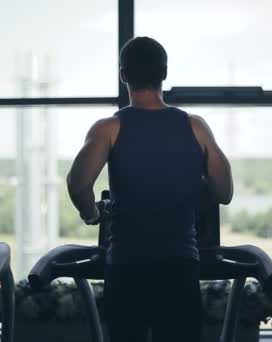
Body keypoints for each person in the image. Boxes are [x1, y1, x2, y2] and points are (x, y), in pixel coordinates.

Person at [67, 36, 233, 342]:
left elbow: (78, 186)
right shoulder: (196, 127)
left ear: (123, 75)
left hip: (127, 267)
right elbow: (224, 192)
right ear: (164, 73)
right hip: (180, 267)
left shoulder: (108, 128)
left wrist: (92, 214)